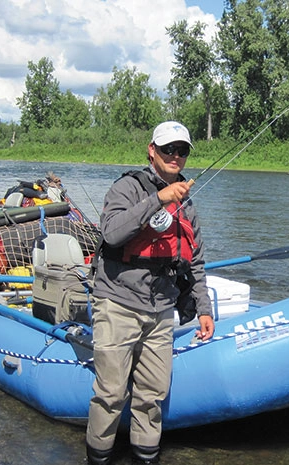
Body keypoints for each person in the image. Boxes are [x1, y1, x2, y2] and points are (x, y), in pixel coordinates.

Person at [86, 121, 215, 464]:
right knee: (111, 393)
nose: (176, 156)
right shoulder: (127, 188)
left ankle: (146, 456)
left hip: (160, 309)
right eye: (169, 149)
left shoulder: (187, 205)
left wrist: (204, 309)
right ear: (152, 150)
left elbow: (196, 262)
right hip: (118, 302)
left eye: (182, 150)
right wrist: (158, 199)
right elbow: (112, 233)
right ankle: (97, 457)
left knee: (152, 394)